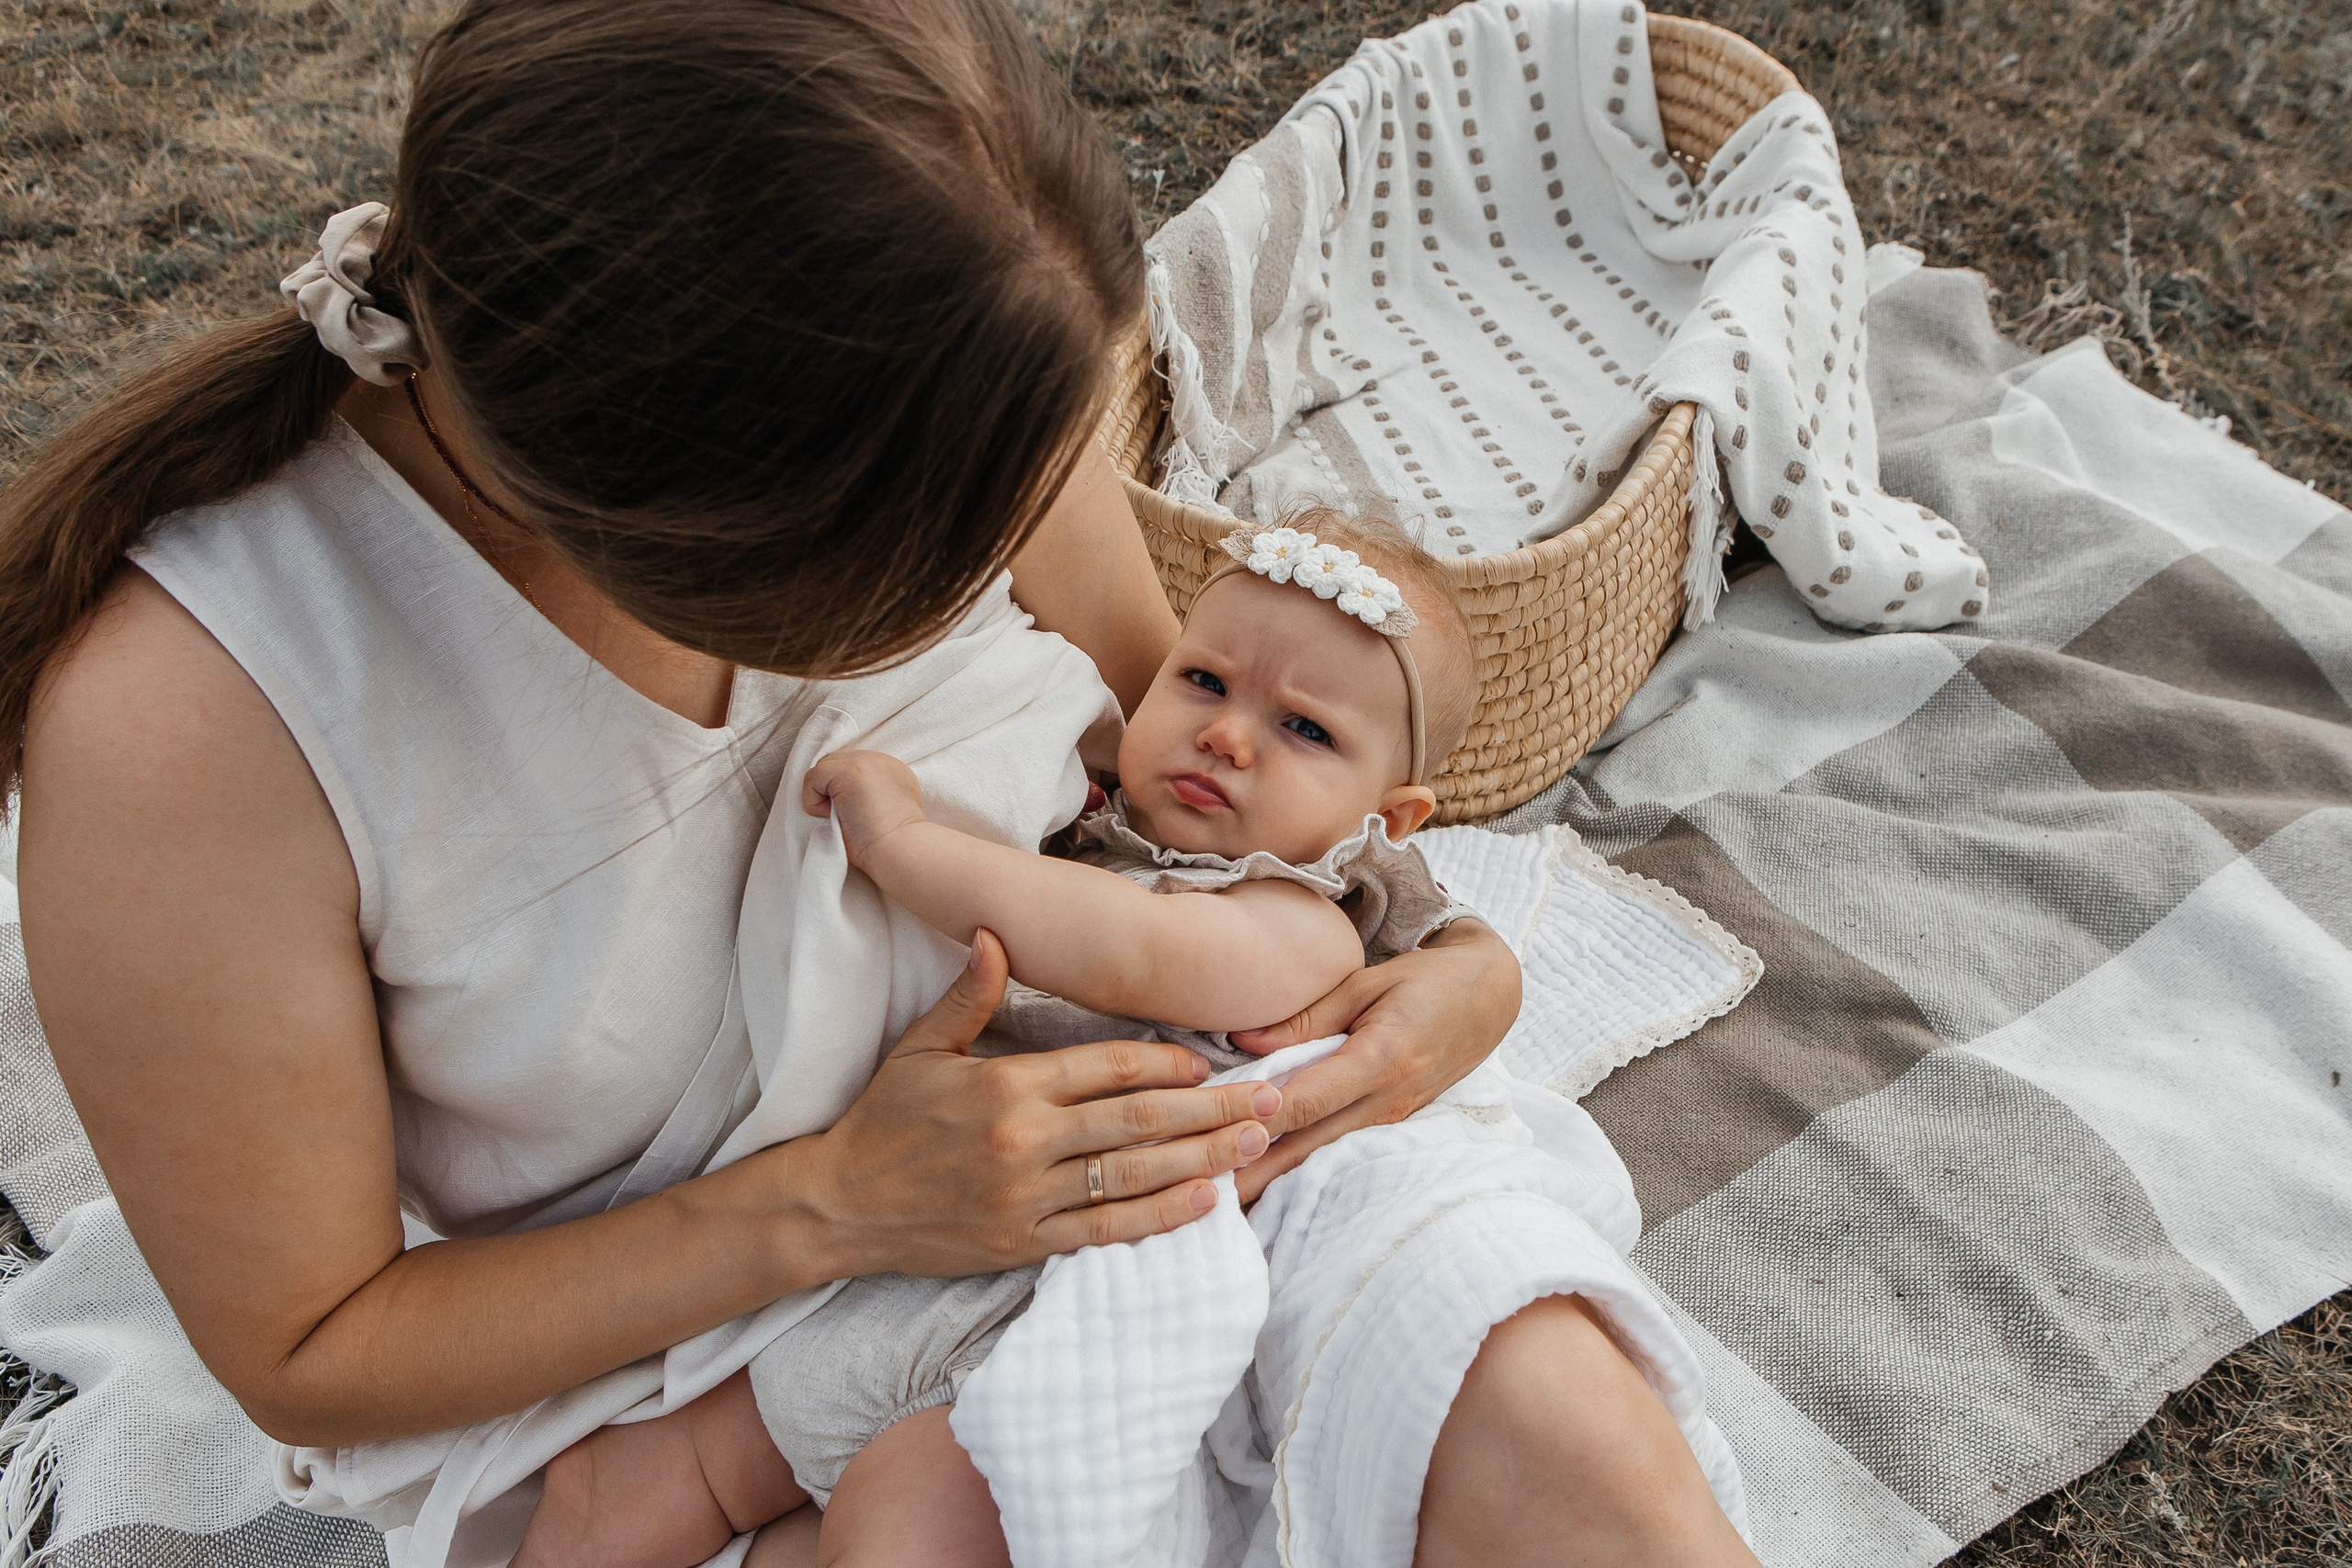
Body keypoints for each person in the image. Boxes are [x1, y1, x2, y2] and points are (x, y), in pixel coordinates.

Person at [0, 2, 1758, 1564]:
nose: (1031, 540)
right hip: (710, 1369)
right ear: (711, 551)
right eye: (965, 552)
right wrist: (839, 1201)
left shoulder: (953, 310)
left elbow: (1184, 764)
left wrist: (1449, 973)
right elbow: (317, 1344)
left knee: (1550, 1414)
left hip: (1169, 1143)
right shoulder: (197, 722)